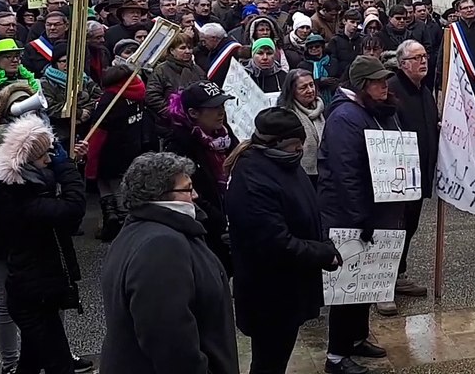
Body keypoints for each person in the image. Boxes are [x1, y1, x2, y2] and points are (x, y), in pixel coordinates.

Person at [224, 108, 343, 374]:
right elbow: (275, 242)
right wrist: (323, 253)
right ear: (274, 143)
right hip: (269, 293)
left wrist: (323, 241)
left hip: (289, 287)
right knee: (269, 362)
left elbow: (306, 210)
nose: (300, 149)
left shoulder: (284, 163)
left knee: (277, 356)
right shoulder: (253, 178)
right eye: (295, 144)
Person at [98, 152, 238, 374]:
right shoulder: (161, 245)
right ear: (160, 194)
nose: (195, 195)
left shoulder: (139, 230)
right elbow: (170, 340)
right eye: (188, 189)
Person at [0, 113, 86, 374]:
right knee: (60, 367)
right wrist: (66, 167)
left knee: (31, 363)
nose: (49, 159)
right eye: (43, 155)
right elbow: (72, 208)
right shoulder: (18, 199)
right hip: (35, 298)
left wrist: (70, 165)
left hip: (37, 293)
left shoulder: (23, 189)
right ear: (25, 162)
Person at [316, 56, 403, 373]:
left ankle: (357, 337)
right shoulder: (345, 117)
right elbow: (346, 174)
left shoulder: (374, 111)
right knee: (348, 285)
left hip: (372, 208)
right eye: (377, 82)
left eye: (385, 80)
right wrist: (359, 217)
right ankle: (336, 356)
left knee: (367, 280)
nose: (384, 86)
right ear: (362, 85)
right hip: (348, 213)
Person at [378, 40, 437, 316]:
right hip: (397, 176)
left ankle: (398, 274)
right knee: (392, 229)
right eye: (416, 58)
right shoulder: (392, 90)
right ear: (403, 64)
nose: (423, 61)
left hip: (419, 175)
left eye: (424, 56)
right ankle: (382, 286)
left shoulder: (424, 90)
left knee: (409, 227)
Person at [165, 81, 237, 273]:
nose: (221, 112)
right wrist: (220, 222)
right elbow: (188, 193)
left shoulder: (225, 134)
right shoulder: (179, 145)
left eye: (222, 105)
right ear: (193, 113)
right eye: (213, 108)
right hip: (206, 230)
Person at [87, 65, 154, 242]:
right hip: (131, 147)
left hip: (109, 150)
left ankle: (120, 222)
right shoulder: (137, 93)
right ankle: (114, 219)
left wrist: (90, 158)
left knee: (110, 186)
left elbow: (98, 132)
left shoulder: (110, 99)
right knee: (117, 185)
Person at [40, 42, 102, 153]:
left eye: (71, 61)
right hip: (61, 134)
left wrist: (86, 112)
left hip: (85, 130)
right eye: (64, 61)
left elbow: (97, 96)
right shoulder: (46, 82)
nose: (68, 65)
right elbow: (49, 107)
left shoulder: (83, 77)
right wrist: (78, 113)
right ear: (55, 63)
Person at [145, 33, 206, 134]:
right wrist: (172, 113)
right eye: (182, 48)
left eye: (190, 48)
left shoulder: (197, 70)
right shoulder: (161, 70)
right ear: (172, 50)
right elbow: (152, 96)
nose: (188, 51)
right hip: (170, 126)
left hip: (196, 123)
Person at [275, 70, 325, 185]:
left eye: (311, 85)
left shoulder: (321, 110)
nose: (310, 90)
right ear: (292, 91)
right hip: (298, 174)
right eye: (303, 88)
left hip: (323, 171)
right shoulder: (286, 115)